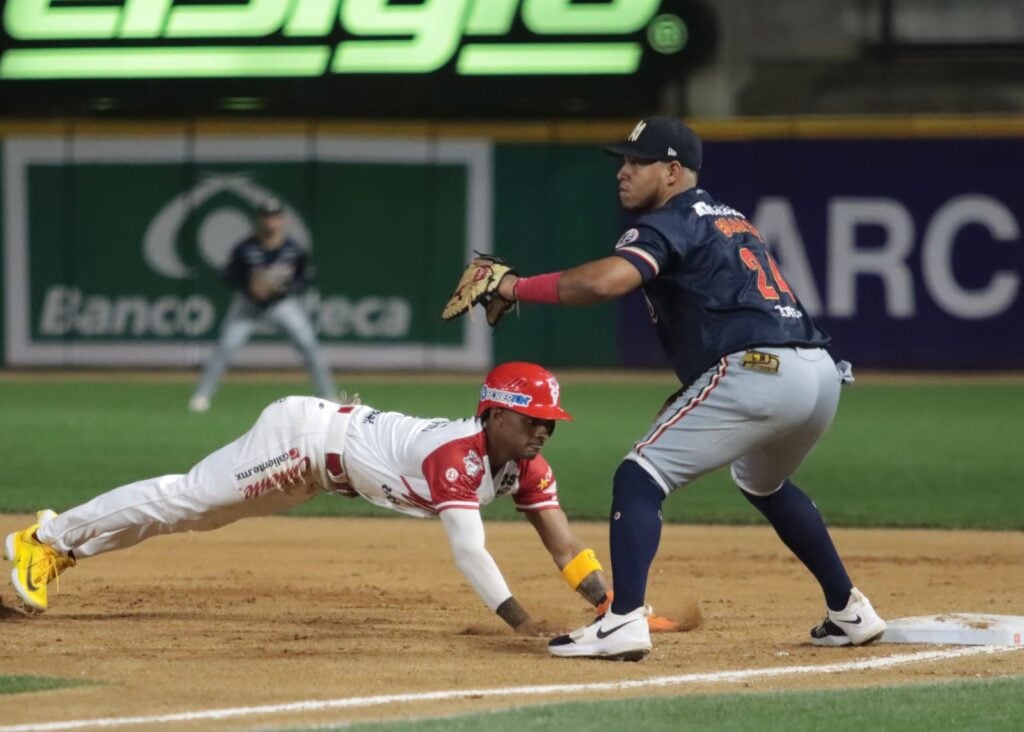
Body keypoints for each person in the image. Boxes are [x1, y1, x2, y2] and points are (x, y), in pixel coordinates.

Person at [471, 117, 886, 660]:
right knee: (764, 482)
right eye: (623, 161)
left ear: (672, 171)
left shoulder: (670, 221)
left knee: (640, 475)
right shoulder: (728, 218)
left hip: (760, 371)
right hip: (819, 371)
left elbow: (601, 283)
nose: (623, 172)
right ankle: (849, 609)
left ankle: (622, 621)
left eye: (637, 162)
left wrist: (513, 285)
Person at [6, 363, 633, 637]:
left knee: (192, 516)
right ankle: (45, 541)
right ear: (493, 415)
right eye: (532, 419)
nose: (544, 430)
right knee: (186, 500)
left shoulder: (524, 465)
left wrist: (610, 604)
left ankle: (61, 547)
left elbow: (564, 542)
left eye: (550, 421)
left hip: (317, 473)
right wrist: (521, 624)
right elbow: (470, 551)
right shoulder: (458, 456)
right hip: (303, 442)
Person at [188, 198, 338, 413]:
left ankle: (329, 395)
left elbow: (304, 278)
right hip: (247, 306)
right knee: (226, 347)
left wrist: (283, 287)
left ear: (283, 220)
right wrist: (249, 286)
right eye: (267, 216)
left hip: (281, 304)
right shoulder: (244, 248)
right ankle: (201, 396)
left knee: (309, 345)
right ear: (259, 219)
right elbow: (228, 275)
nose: (271, 221)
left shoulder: (293, 249)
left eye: (275, 216)